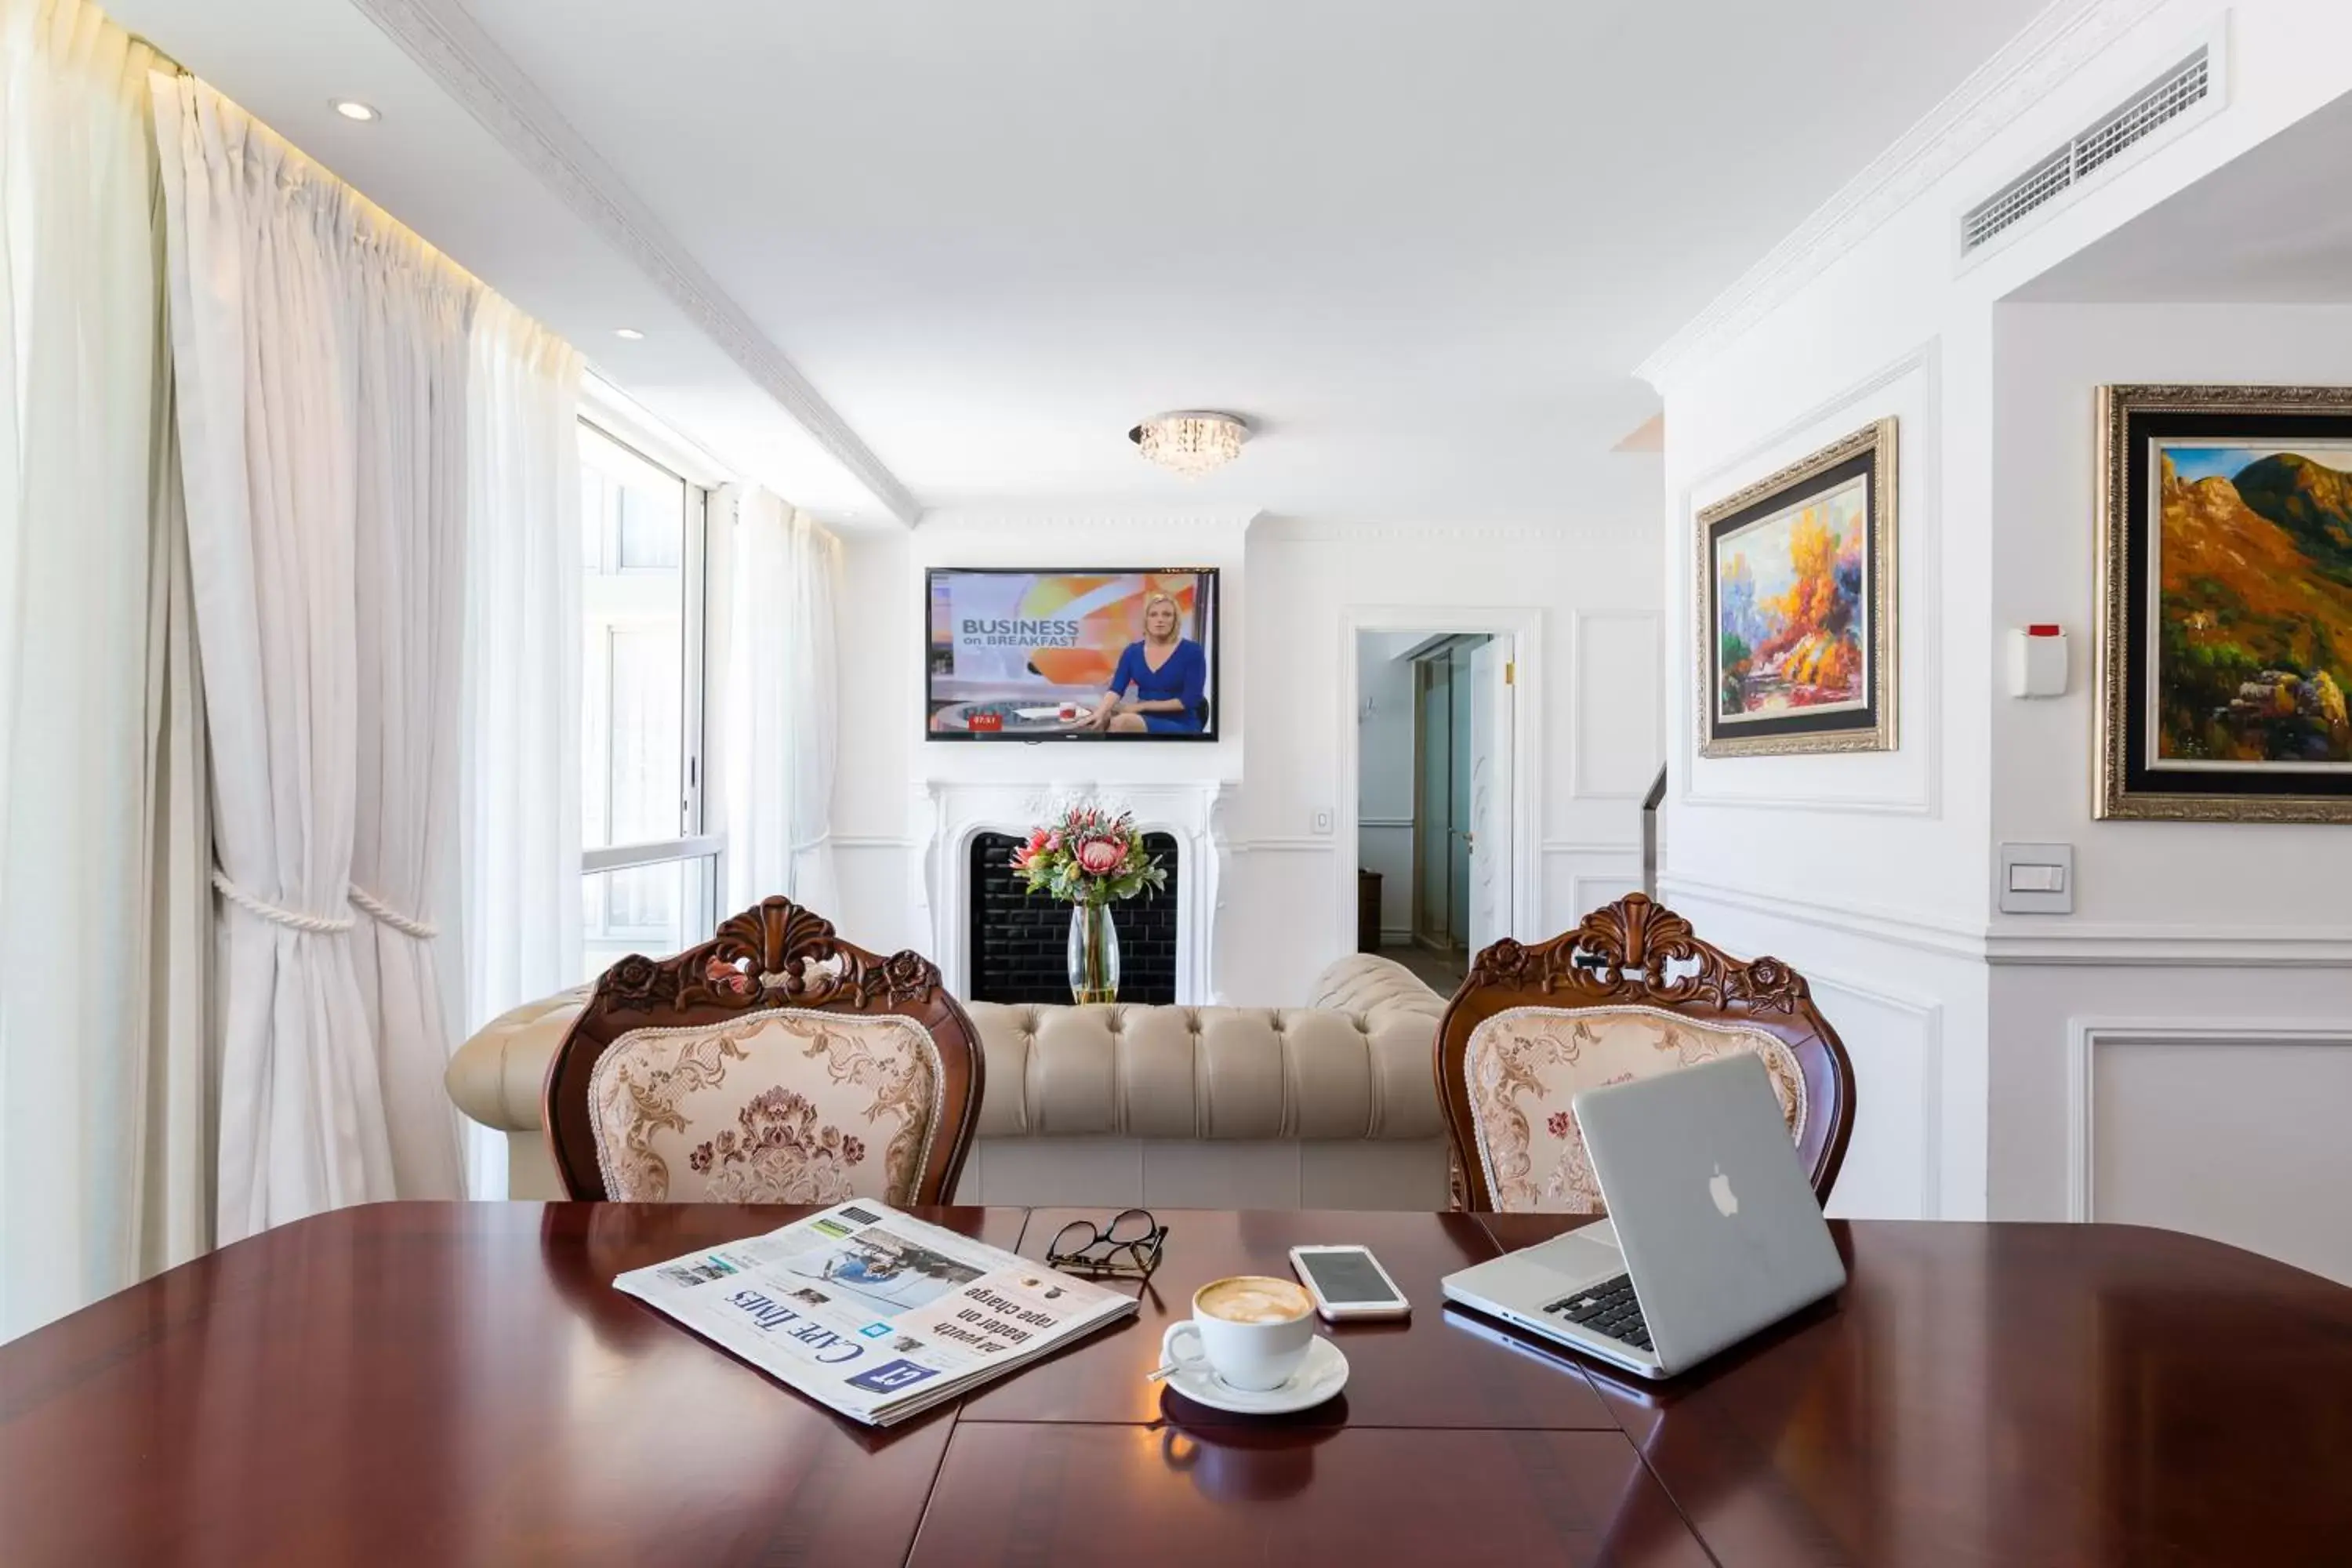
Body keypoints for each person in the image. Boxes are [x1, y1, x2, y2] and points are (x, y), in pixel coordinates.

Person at [1084, 592, 1207, 735]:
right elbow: (1116, 689)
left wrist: (1141, 707)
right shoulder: (1132, 652)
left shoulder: (1192, 651)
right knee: (1097, 719)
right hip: (1142, 718)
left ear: (1175, 620)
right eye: (1153, 615)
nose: (1160, 619)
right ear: (1146, 620)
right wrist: (1100, 713)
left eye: (1167, 615)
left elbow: (1190, 700)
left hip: (1181, 723)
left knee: (1123, 723)